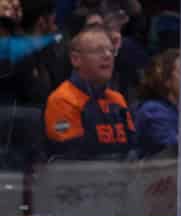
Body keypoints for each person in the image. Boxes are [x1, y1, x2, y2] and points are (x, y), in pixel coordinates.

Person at [43, 26, 136, 160]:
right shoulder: (62, 99)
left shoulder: (117, 99)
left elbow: (132, 147)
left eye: (111, 50)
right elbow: (71, 156)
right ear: (76, 59)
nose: (108, 55)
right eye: (98, 50)